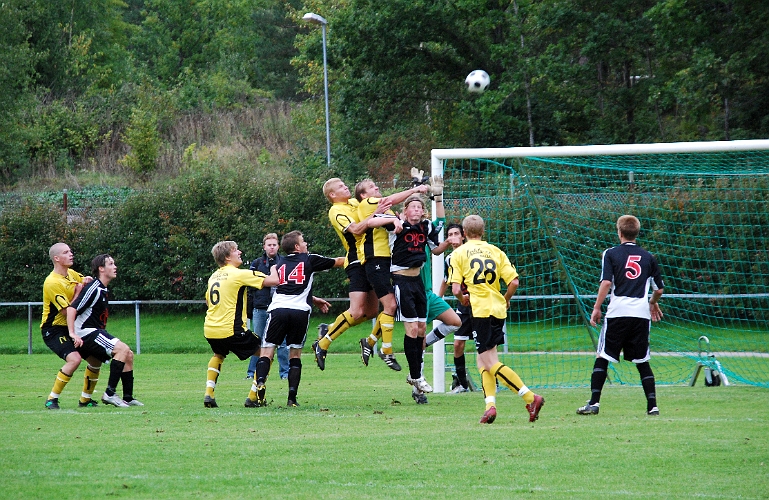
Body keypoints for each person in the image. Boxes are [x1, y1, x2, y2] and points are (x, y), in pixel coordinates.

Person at [313, 176, 427, 371]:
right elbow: (357, 229)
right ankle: (327, 342)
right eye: (341, 186)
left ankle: (335, 331)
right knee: (360, 310)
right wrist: (376, 215)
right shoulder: (336, 211)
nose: (345, 186)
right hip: (357, 260)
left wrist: (382, 215)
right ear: (332, 195)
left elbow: (378, 205)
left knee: (373, 312)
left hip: (370, 258)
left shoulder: (353, 202)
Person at [449, 215, 544, 424]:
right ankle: (490, 407)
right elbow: (514, 282)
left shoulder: (459, 253)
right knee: (483, 360)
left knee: (490, 362)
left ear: (463, 234)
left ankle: (530, 397)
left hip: (480, 310)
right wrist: (506, 299)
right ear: (483, 232)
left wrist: (462, 298)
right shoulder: (496, 251)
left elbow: (455, 288)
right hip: (497, 310)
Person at [576, 215, 664, 416]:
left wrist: (597, 307)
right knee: (642, 360)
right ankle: (653, 406)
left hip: (618, 313)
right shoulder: (649, 257)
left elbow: (606, 283)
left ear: (619, 232)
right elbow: (658, 289)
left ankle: (594, 403)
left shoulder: (611, 254)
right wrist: (652, 303)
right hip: (641, 315)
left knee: (603, 356)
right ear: (637, 232)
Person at [252, 231, 343, 407]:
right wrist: (362, 257)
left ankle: (261, 383)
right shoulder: (309, 259)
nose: (306, 243)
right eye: (303, 241)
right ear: (297, 246)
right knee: (295, 355)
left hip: (278, 309)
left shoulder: (279, 263)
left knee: (266, 352)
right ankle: (292, 398)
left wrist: (314, 298)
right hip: (300, 311)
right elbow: (339, 261)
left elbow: (282, 283)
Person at [354, 178, 429, 371]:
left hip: (387, 261)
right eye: (371, 187)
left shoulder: (383, 209)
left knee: (391, 308)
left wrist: (395, 218)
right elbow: (387, 206)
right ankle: (386, 350)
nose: (376, 187)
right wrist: (417, 189)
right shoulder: (368, 203)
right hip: (375, 259)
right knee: (391, 305)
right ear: (363, 195)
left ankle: (370, 342)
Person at [389, 193, 457, 403]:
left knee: (420, 331)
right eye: (413, 206)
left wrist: (448, 241)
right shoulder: (396, 225)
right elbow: (378, 214)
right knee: (412, 330)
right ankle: (416, 377)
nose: (417, 210)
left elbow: (436, 249)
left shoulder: (426, 227)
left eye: (420, 207)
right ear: (404, 211)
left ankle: (415, 374)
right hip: (402, 282)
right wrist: (392, 218)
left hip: (419, 284)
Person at [203, 240, 279, 408]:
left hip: (210, 329)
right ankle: (253, 397)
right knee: (266, 353)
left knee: (218, 355)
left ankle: (209, 393)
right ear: (228, 257)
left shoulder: (214, 276)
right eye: (236, 250)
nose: (240, 252)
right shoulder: (238, 273)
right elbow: (274, 281)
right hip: (232, 329)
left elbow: (208, 300)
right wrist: (275, 267)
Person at [67, 254, 143, 407]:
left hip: (92, 331)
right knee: (122, 349)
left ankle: (128, 397)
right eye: (110, 264)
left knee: (128, 354)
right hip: (85, 332)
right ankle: (109, 393)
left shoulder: (102, 288)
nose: (115, 267)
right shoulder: (94, 288)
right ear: (101, 269)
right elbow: (71, 309)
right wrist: (72, 333)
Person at [41, 243, 101, 409]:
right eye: (66, 252)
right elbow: (66, 312)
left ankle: (85, 400)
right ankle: (51, 399)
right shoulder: (52, 282)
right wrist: (77, 293)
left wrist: (88, 281)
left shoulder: (71, 274)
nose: (71, 254)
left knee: (95, 360)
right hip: (54, 329)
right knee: (74, 359)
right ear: (57, 258)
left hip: (72, 327)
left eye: (71, 251)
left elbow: (85, 282)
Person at [428, 223, 475, 394]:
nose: (453, 237)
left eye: (456, 233)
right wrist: (436, 299)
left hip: (480, 304)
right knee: (458, 345)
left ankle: (493, 381)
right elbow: (446, 280)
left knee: (485, 344)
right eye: (450, 234)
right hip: (463, 304)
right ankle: (462, 384)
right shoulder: (449, 259)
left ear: (463, 236)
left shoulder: (473, 252)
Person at [246, 233, 288, 380]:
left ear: (278, 246)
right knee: (258, 341)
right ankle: (252, 373)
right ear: (264, 247)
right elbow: (250, 284)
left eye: (274, 245)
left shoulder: (284, 262)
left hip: (279, 308)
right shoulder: (257, 263)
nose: (272, 247)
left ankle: (285, 373)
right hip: (261, 308)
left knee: (282, 342)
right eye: (269, 245)